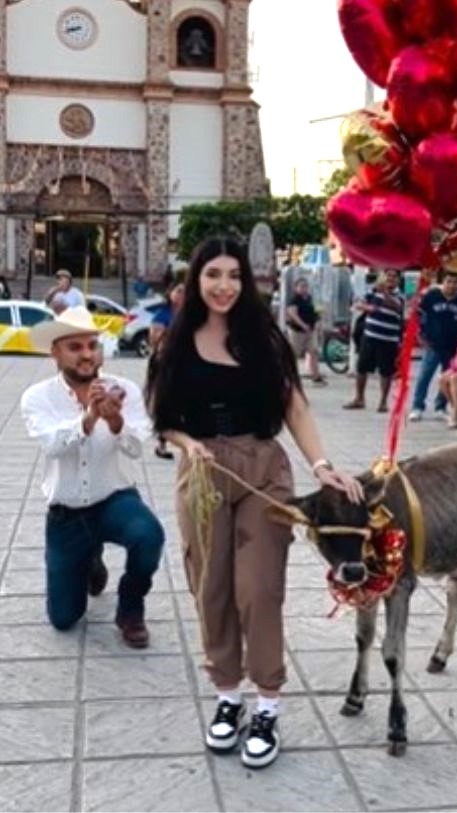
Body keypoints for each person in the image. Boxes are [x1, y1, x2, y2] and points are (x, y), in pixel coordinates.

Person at [147, 236, 363, 769]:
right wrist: (186, 443)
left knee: (259, 589)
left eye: (235, 275)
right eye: (213, 274)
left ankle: (266, 703)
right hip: (202, 475)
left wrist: (320, 465)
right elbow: (162, 420)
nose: (224, 286)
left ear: (246, 282)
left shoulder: (263, 339)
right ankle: (228, 696)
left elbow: (296, 408)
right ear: (196, 280)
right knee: (211, 587)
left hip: (263, 468)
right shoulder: (172, 344)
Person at [19, 306, 164, 648]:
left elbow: (135, 447)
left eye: (91, 345)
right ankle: (90, 560)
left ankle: (130, 607)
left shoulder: (123, 389)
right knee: (64, 618)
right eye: (75, 347)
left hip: (114, 498)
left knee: (150, 536)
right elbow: (53, 445)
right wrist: (88, 419)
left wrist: (114, 422)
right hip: (66, 512)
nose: (87, 355)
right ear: (55, 352)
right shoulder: (37, 398)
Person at [409, 274, 457, 421]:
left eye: (456, 281)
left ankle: (440, 407)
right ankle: (417, 406)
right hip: (433, 344)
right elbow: (417, 316)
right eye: (449, 281)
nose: (452, 285)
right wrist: (419, 336)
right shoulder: (431, 296)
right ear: (443, 282)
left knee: (447, 379)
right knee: (425, 376)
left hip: (453, 347)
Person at [344, 269, 404, 412]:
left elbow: (396, 306)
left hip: (388, 339)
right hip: (370, 335)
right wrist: (370, 307)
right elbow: (359, 304)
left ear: (398, 280)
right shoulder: (373, 291)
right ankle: (359, 398)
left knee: (386, 371)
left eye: (393, 276)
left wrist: (384, 294)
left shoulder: (400, 295)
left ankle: (383, 401)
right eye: (388, 275)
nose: (390, 278)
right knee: (362, 367)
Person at [150, 282, 186, 460]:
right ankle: (162, 443)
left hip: (185, 363)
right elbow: (155, 339)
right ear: (170, 293)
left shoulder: (191, 314)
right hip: (166, 362)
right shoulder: (163, 314)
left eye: (185, 291)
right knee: (165, 402)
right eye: (178, 291)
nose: (181, 294)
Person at [285, 276, 327, 388]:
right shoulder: (294, 299)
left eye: (306, 286)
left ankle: (316, 377)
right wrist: (302, 325)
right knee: (294, 354)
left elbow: (314, 311)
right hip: (297, 331)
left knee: (314, 352)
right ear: (296, 288)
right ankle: (290, 377)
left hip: (310, 330)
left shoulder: (309, 298)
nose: (304, 288)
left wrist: (318, 318)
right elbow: (292, 313)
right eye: (302, 286)